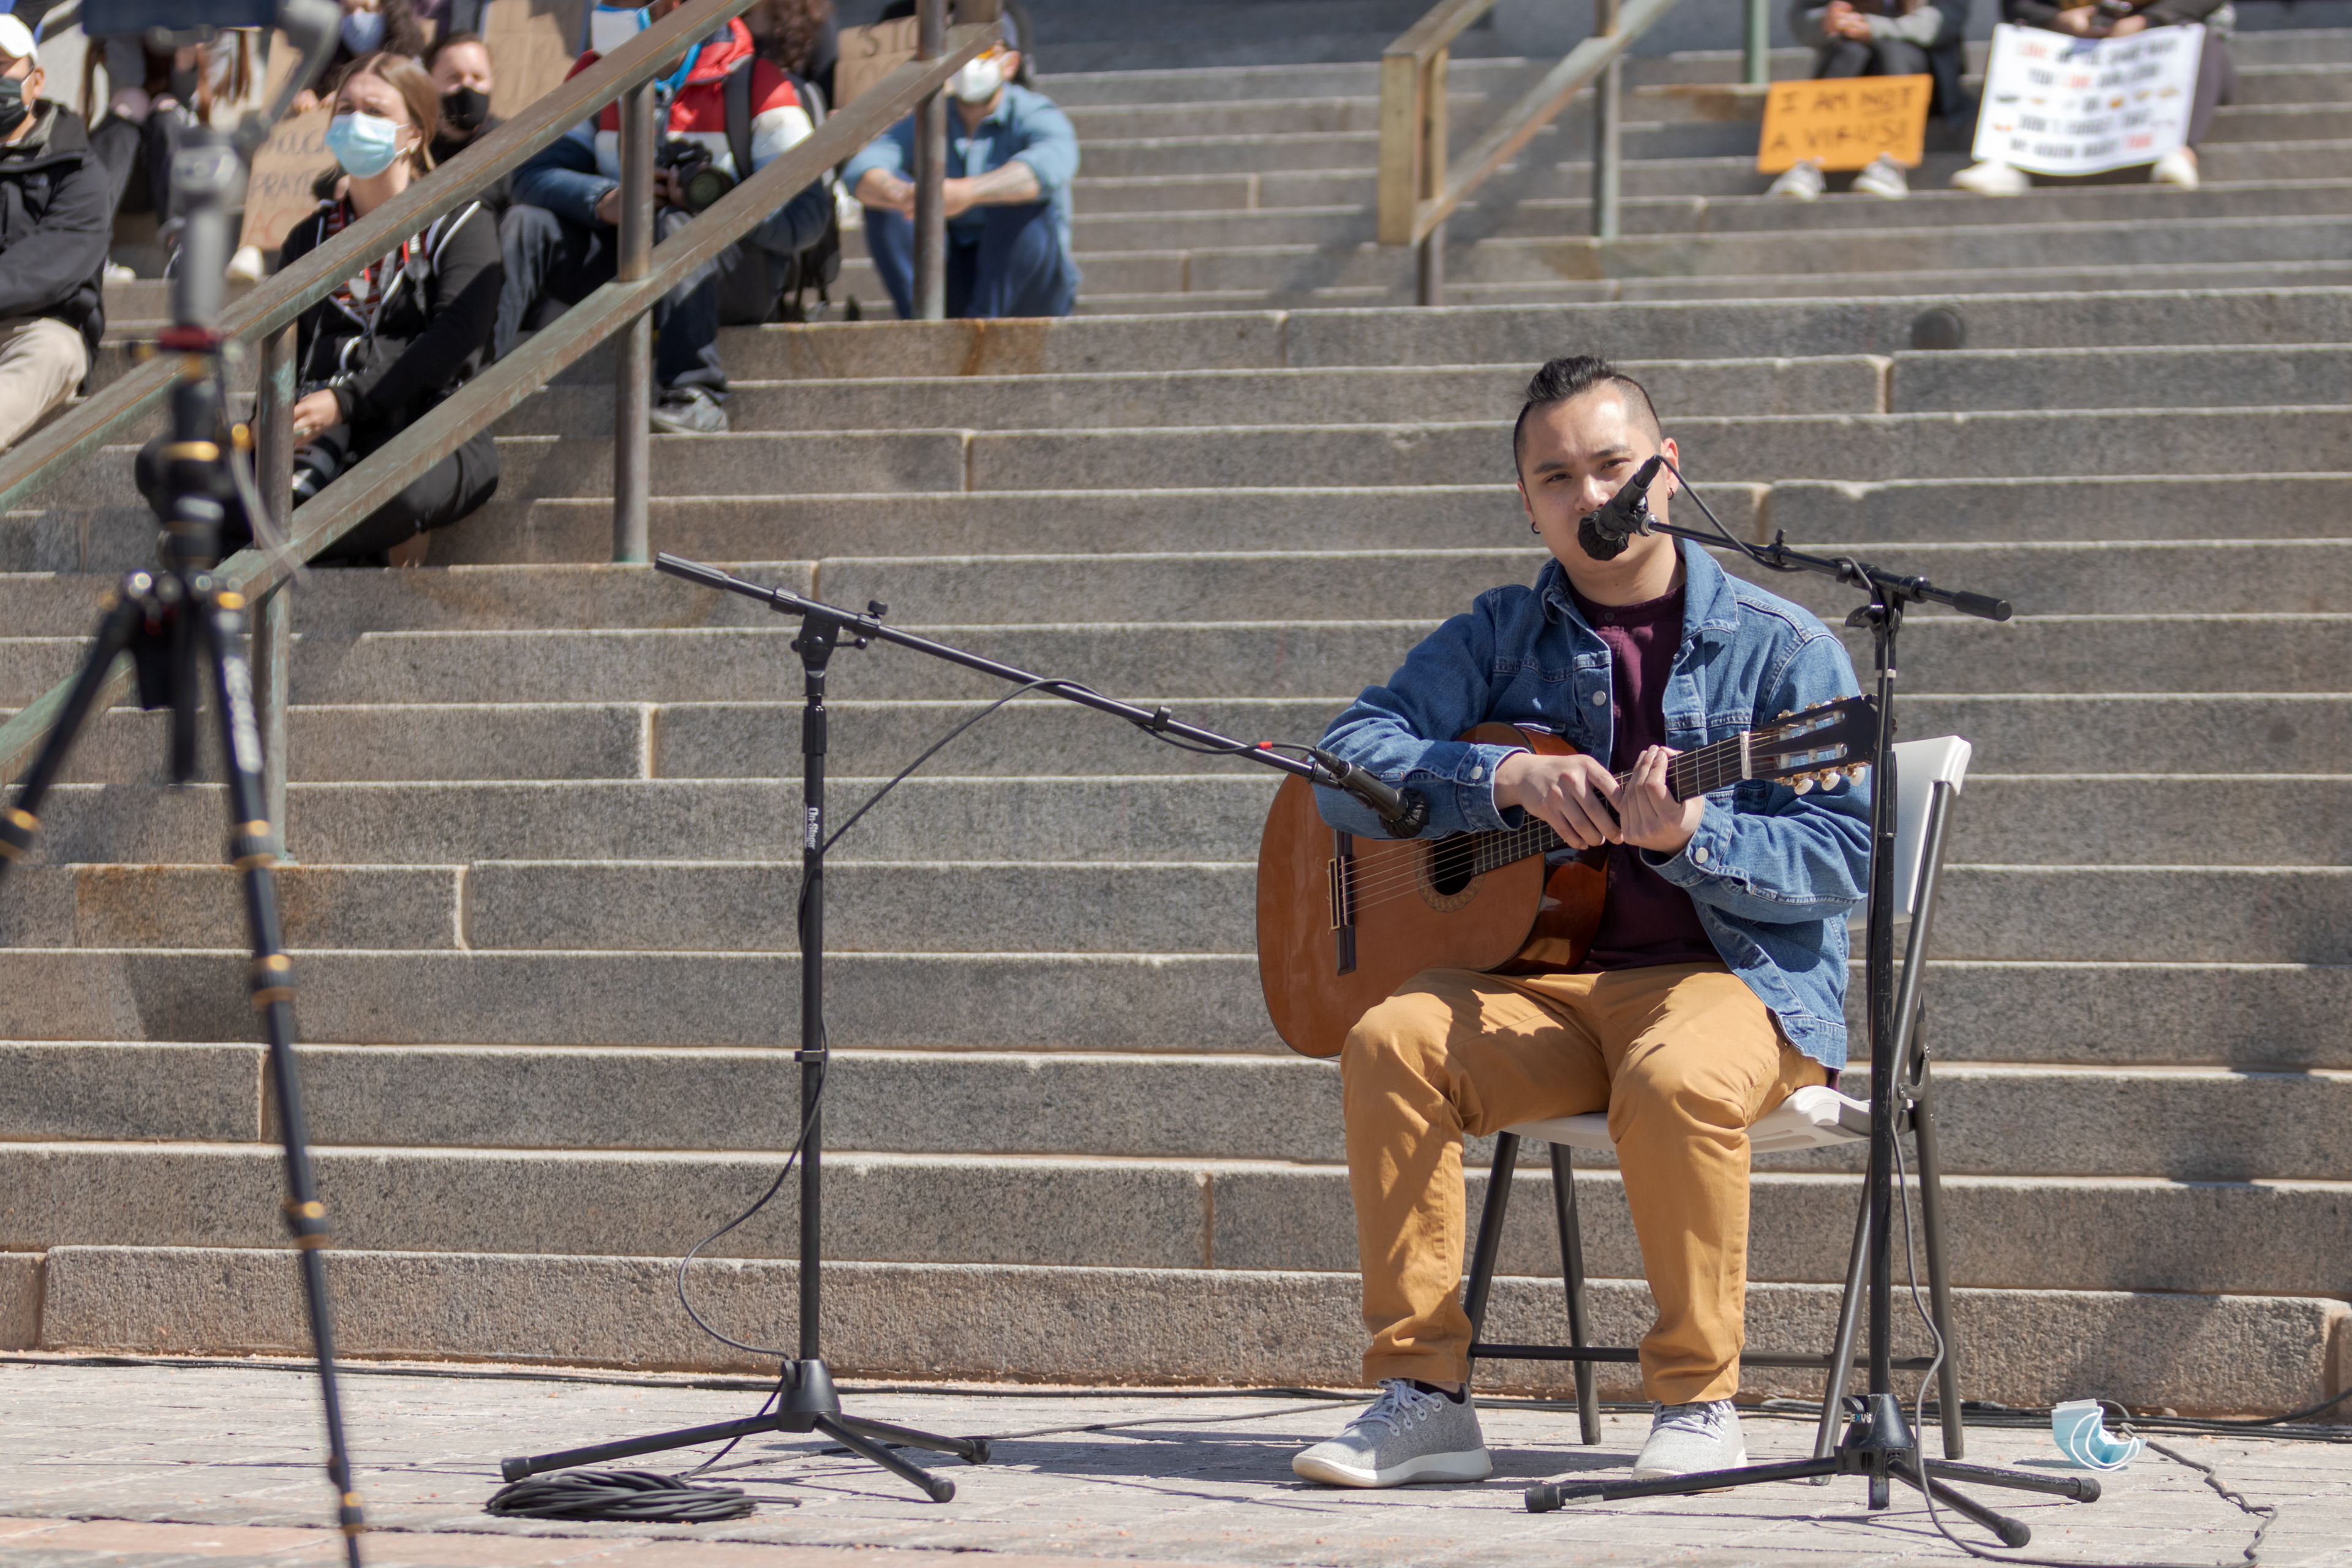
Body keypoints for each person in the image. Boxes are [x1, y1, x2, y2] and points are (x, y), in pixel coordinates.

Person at [1287, 356, 1872, 1489]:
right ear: (1527, 502)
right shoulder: (1502, 634)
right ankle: (1425, 1397)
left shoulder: (1786, 649)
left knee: (1673, 1076)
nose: (1591, 494)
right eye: (1557, 476)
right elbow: (1342, 762)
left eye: (1613, 465)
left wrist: (1691, 836)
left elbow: (1844, 853)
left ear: (1668, 468)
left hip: (1726, 983)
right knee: (1391, 1042)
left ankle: (1698, 1404)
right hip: (1539, 984)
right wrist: (1497, 777)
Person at [496, 0, 832, 435]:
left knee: (677, 225)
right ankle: (466, 390)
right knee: (525, 223)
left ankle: (698, 394)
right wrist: (606, 198)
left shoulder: (755, 81)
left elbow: (808, 214)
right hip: (622, 260)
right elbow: (530, 177)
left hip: (728, 275)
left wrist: (716, 205)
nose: (612, 7)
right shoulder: (594, 75)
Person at [266, 51, 501, 565]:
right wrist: (277, 422)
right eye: (345, 109)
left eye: (374, 112)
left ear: (415, 133)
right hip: (324, 432)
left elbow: (456, 339)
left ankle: (248, 556)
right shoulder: (310, 236)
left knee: (401, 495)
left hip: (431, 426)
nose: (355, 123)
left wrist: (347, 401)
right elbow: (282, 351)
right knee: (167, 466)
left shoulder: (460, 220)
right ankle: (307, 537)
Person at [842, 17, 1079, 320]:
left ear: (1010, 63)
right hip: (954, 270)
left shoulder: (1036, 113)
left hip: (1025, 286)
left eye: (981, 53)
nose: (968, 64)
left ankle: (979, 330)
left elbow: (1052, 164)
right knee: (884, 206)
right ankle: (924, 327)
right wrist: (902, 194)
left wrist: (967, 193)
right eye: (958, 53)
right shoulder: (929, 116)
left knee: (1028, 205)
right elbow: (863, 167)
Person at [1953, 0, 2235, 193]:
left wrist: (2147, 20)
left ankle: (2179, 152)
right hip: (2072, 42)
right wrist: (2059, 19)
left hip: (2157, 37)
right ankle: (2007, 158)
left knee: (2200, 40)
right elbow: (2018, 5)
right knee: (2016, 41)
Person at [0, 13, 110, 456]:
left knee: (52, 351)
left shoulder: (78, 169)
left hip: (39, 328)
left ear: (36, 79)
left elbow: (55, 260)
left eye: (1, 65)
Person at [1770, 0, 1968, 200]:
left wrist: (1876, 28)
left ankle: (1891, 160)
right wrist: (1826, 21)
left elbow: (1944, 20)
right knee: (1848, 53)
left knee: (1893, 52)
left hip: (1915, 67)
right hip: (1853, 61)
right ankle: (1807, 159)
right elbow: (1803, 15)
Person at [290, 0, 432, 113]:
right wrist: (303, 97)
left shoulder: (411, 64)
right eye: (347, 10)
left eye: (367, 9)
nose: (356, 18)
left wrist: (350, 102)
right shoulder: (319, 67)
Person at [424, 28, 506, 208]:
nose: (468, 84)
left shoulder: (512, 147)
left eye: (478, 77)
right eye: (454, 78)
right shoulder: (416, 151)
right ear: (429, 85)